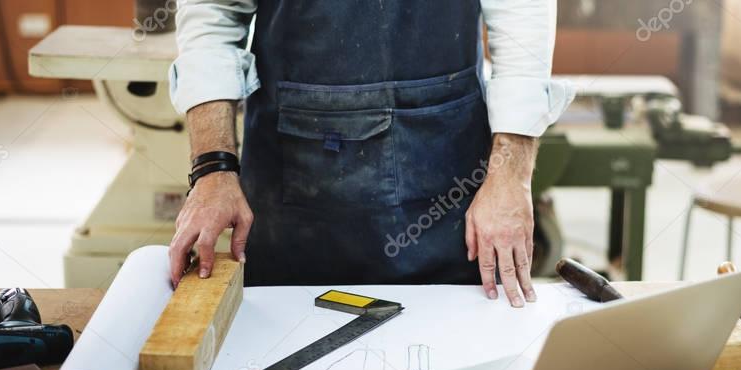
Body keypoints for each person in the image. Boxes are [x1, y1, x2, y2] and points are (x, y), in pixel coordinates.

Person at [168, 0, 571, 307]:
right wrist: (212, 168)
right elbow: (211, 15)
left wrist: (510, 175)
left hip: (445, 189)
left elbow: (522, 14)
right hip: (292, 193)